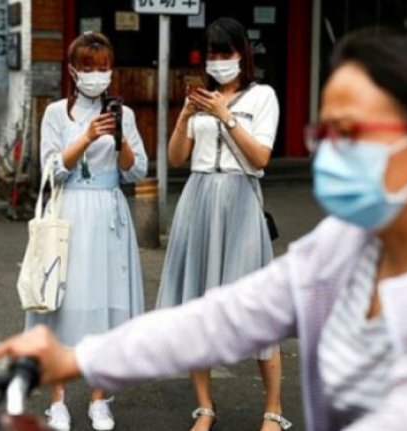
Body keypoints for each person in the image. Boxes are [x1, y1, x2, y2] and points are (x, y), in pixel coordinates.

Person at [0, 31, 407, 431]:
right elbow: (223, 318)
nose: (330, 154)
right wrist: (77, 359)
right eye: (323, 134)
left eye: (351, 135)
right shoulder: (344, 245)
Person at [156, 17, 287, 431]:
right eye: (211, 55)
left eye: (225, 54)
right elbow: (177, 159)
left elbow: (260, 159)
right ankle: (205, 407)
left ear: (241, 54)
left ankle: (273, 410)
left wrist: (226, 116)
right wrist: (184, 118)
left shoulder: (262, 96)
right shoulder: (202, 98)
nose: (218, 62)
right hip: (198, 199)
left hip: (239, 200)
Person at [24, 32, 147, 431]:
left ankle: (99, 398)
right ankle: (57, 400)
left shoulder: (122, 115)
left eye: (104, 67)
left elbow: (137, 170)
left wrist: (118, 138)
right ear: (73, 71)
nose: (97, 75)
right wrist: (87, 136)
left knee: (107, 305)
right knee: (65, 305)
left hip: (110, 212)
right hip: (70, 213)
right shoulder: (57, 113)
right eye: (89, 68)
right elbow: (51, 169)